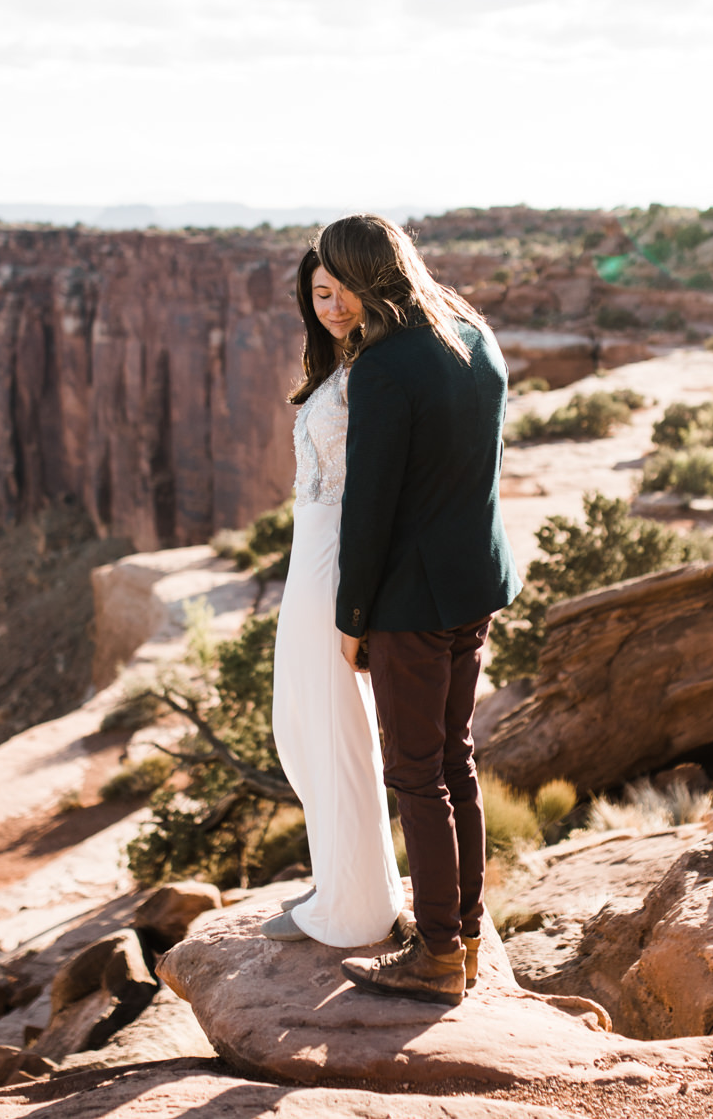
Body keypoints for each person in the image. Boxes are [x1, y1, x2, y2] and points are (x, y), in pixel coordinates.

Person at [318, 213, 520, 1008]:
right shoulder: (474, 335)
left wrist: (353, 614)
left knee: (413, 771)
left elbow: (370, 507)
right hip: (476, 584)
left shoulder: (385, 365)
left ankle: (435, 954)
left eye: (334, 276)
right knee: (455, 759)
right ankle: (463, 931)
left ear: (361, 275)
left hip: (411, 598)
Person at [258, 246, 407, 948]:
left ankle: (353, 908)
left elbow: (381, 487)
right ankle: (344, 877)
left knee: (334, 723)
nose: (334, 304)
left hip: (333, 567)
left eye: (345, 289)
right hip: (308, 560)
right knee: (303, 721)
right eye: (321, 292)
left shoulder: (376, 368)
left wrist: (358, 602)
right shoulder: (343, 365)